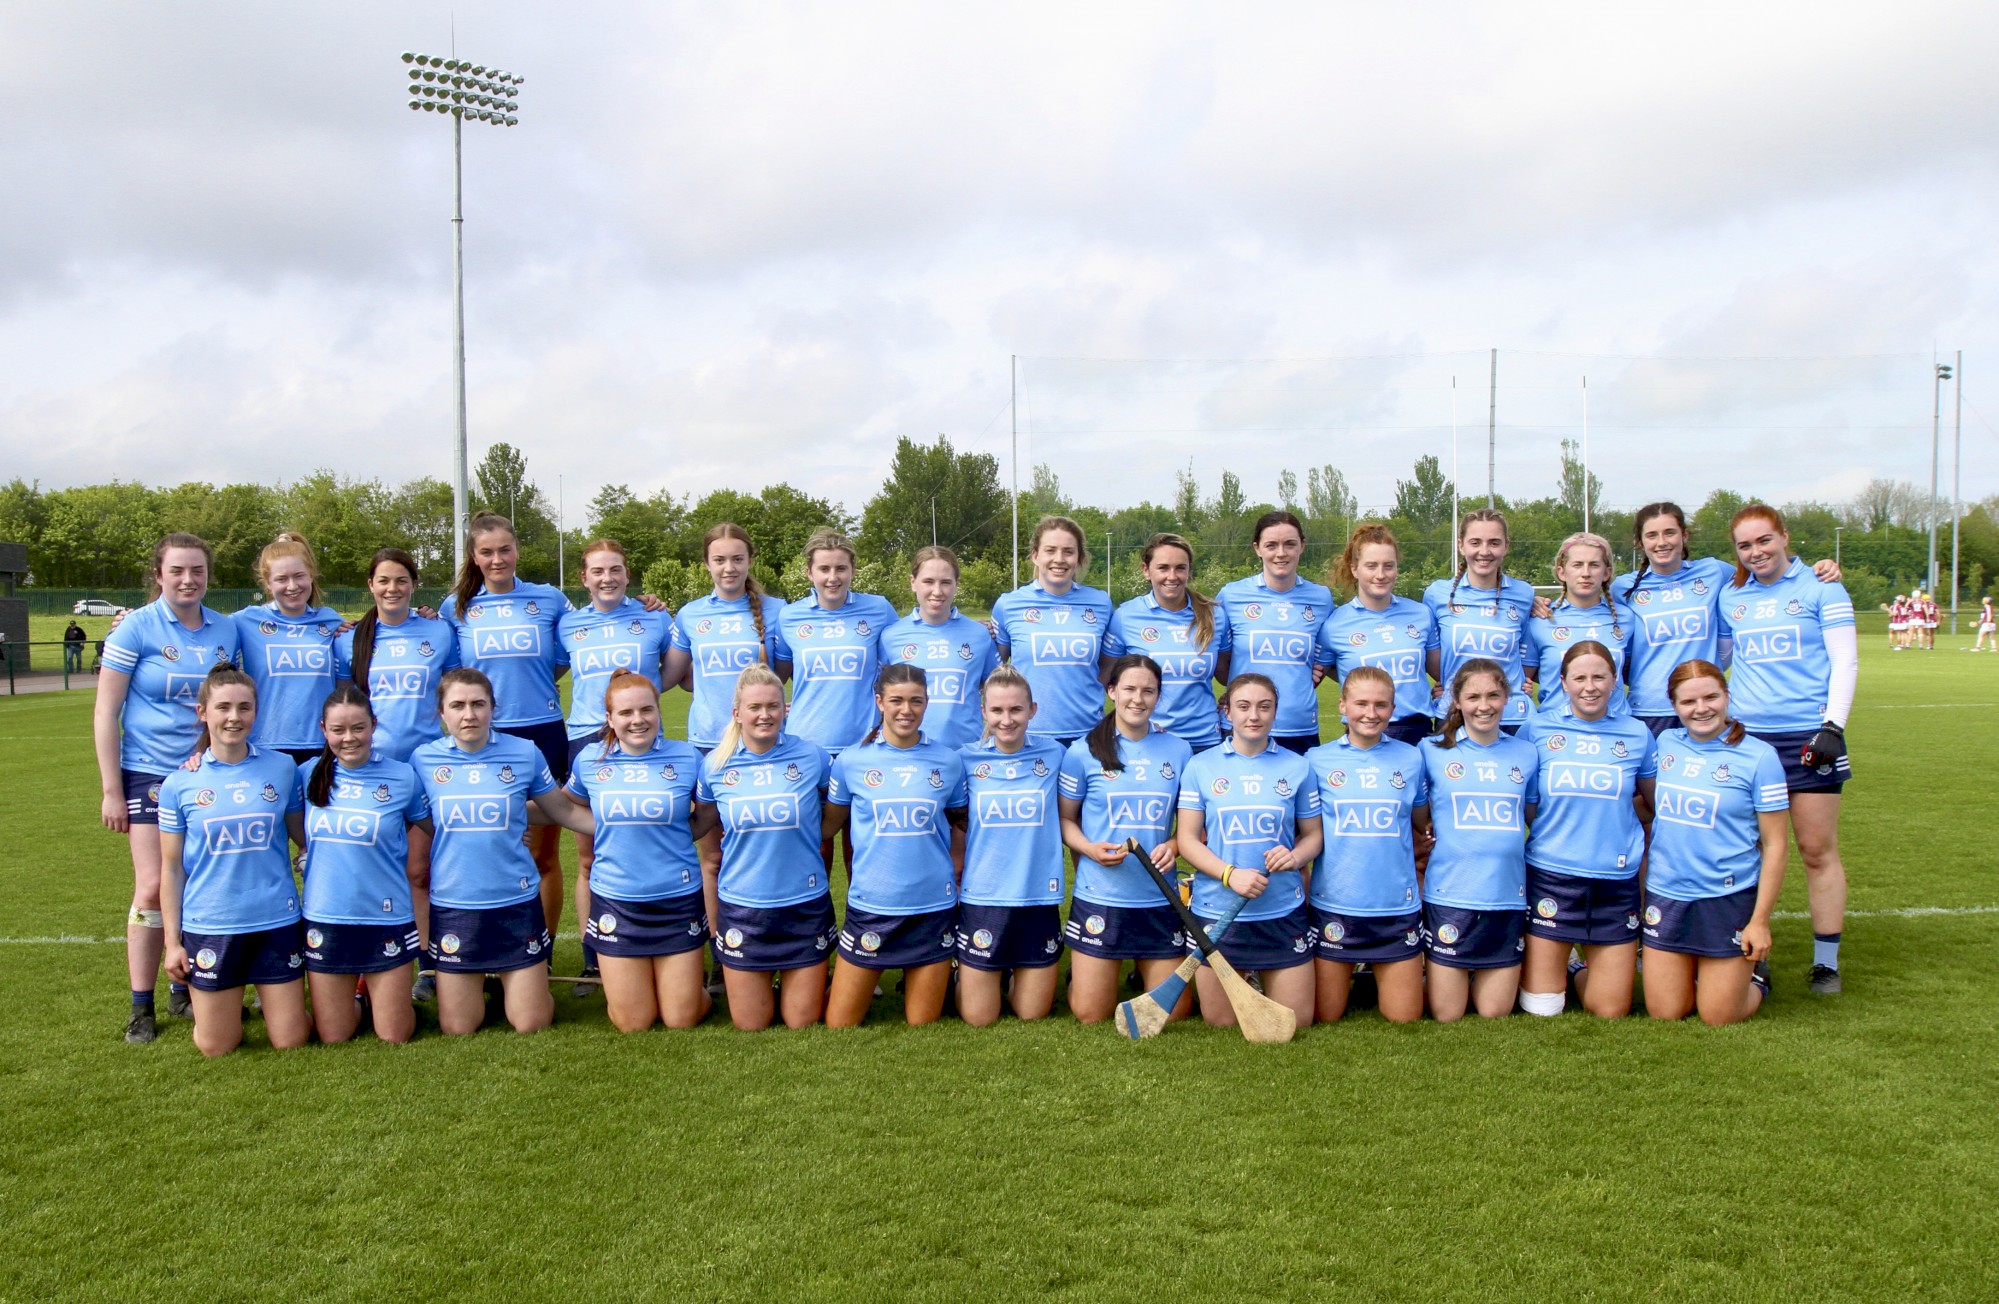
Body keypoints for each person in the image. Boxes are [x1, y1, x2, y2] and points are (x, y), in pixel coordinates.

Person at [94, 532, 243, 1044]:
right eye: (177, 570)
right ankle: (142, 1006)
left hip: (206, 773)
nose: (187, 579)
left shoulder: (227, 629)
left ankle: (186, 987)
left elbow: (229, 700)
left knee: (204, 878)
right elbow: (105, 711)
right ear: (158, 574)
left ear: (208, 575)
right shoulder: (136, 627)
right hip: (148, 773)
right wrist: (112, 789)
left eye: (197, 571)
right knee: (154, 886)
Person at [410, 668, 593, 1035]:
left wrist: (630, 826)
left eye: (479, 704)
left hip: (516, 904)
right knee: (459, 1027)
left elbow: (563, 810)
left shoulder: (524, 752)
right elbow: (421, 820)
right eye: (457, 705)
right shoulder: (423, 761)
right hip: (455, 905)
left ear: (493, 708)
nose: (469, 714)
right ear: (441, 712)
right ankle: (484, 982)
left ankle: (511, 983)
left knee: (531, 1023)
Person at [1721, 503, 1858, 995]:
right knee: (1748, 850)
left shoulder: (1823, 586)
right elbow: (1718, 661)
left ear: (1784, 536)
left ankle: (1826, 963)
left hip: (1809, 737)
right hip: (1749, 740)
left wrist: (1833, 727)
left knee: (1816, 850)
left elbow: (1845, 661)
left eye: (1764, 540)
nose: (1756, 552)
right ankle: (1750, 953)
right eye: (1745, 545)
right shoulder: (1731, 596)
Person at [436, 512, 576, 953]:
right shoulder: (454, 607)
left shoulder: (548, 599)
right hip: (480, 737)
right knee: (485, 849)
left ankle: (542, 949)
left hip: (542, 734)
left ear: (517, 550)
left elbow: (569, 652)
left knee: (541, 853)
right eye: (487, 552)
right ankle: (483, 949)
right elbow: (451, 673)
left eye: (505, 549)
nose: (497, 559)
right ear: (474, 558)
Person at [157, 664, 309, 1057]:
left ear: (256, 712)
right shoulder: (179, 784)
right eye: (223, 707)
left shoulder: (282, 768)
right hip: (212, 925)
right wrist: (172, 943)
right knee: (216, 1046)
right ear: (203, 712)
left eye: (244, 708)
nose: (234, 717)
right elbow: (172, 870)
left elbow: (303, 838)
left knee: (291, 1040)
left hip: (276, 920)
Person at [663, 522, 789, 968]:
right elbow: (671, 675)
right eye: (719, 559)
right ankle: (724, 954)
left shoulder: (778, 611)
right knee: (712, 857)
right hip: (708, 748)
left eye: (737, 558)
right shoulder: (691, 614)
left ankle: (777, 945)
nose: (729, 567)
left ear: (749, 560)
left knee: (771, 847)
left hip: (763, 747)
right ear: (707, 563)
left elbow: (786, 673)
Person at [334, 547, 459, 997]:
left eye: (401, 580)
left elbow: (453, 694)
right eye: (383, 581)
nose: (392, 589)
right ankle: (368, 968)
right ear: (371, 585)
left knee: (421, 871)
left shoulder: (438, 632)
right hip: (370, 774)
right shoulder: (347, 639)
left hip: (427, 771)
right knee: (372, 869)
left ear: (414, 584)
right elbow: (341, 709)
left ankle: (427, 964)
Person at [562, 670, 715, 1031]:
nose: (637, 720)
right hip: (617, 902)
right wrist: (512, 815)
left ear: (658, 711)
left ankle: (687, 990)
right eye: (626, 713)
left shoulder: (688, 758)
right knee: (634, 1022)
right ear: (610, 719)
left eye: (646, 710)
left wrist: (679, 833)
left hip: (676, 900)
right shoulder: (589, 761)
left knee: (680, 1019)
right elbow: (566, 807)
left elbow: (706, 815)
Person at [1642, 660, 1788, 1025]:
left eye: (1711, 697)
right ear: (1674, 706)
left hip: (1727, 897)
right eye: (1688, 702)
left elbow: (1775, 845)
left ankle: (1756, 978)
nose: (1701, 708)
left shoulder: (1760, 757)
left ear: (1727, 696)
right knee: (1666, 1012)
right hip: (1667, 894)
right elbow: (1649, 806)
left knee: (1718, 1015)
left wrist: (1760, 922)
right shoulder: (1665, 743)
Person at [822, 665, 969, 1027]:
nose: (906, 710)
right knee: (840, 1023)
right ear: (879, 702)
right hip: (872, 906)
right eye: (897, 700)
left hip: (932, 906)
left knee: (922, 1022)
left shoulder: (948, 762)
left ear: (926, 703)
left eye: (916, 701)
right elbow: (828, 825)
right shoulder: (851, 761)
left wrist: (958, 866)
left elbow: (962, 823)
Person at [1517, 642, 1657, 1019]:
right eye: (1579, 677)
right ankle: (1564, 963)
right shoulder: (1536, 729)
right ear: (1563, 682)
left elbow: (1654, 803)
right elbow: (1526, 800)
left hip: (1615, 880)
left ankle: (1577, 967)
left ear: (1615, 681)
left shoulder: (1637, 734)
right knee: (1543, 1008)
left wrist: (1612, 813)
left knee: (1609, 1009)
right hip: (1551, 876)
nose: (1589, 686)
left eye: (1600, 677)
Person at [1615, 502, 1840, 734]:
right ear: (1640, 543)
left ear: (1684, 535)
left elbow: (1766, 567)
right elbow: (1620, 651)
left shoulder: (1715, 572)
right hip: (1648, 710)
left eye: (1669, 533)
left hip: (1707, 707)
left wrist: (1819, 568)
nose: (1662, 542)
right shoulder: (1623, 588)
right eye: (1652, 535)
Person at [1177, 674, 1323, 1028]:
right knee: (1222, 1023)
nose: (1253, 716)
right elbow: (1187, 840)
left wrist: (1296, 857)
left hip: (1281, 910)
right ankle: (1249, 978)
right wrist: (1229, 875)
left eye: (1264, 707)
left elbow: (1313, 836)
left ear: (1275, 713)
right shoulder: (1201, 766)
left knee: (1297, 1021)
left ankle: (1260, 976)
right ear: (1227, 712)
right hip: (1218, 910)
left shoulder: (1298, 766)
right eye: (1243, 707)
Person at [557, 538, 673, 983]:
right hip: (587, 740)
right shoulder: (567, 625)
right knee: (589, 856)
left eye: (616, 570)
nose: (607, 578)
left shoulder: (655, 617)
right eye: (597, 572)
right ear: (584, 578)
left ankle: (661, 939)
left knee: (647, 839)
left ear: (628, 575)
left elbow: (676, 673)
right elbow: (548, 669)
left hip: (644, 735)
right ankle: (594, 955)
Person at [695, 666, 836, 1031]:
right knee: (751, 1023)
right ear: (737, 713)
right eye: (755, 707)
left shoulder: (813, 757)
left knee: (801, 1021)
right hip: (744, 909)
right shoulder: (714, 765)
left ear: (785, 709)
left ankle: (806, 983)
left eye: (773, 706)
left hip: (803, 904)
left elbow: (836, 810)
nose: (764, 715)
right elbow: (701, 823)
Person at [1058, 654, 1195, 1023]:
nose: (1138, 699)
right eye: (1130, 689)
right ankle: (1088, 970)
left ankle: (1137, 968)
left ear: (1158, 696)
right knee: (1090, 1014)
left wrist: (1176, 844)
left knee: (1175, 1013)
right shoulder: (1083, 751)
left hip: (1159, 897)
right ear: (1112, 691)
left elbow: (1195, 824)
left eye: (1148, 691)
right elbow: (1065, 820)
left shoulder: (1179, 751)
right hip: (1101, 896)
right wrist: (1088, 848)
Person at [296, 685, 431, 1044]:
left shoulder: (402, 776)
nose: (349, 738)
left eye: (358, 728)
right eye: (338, 730)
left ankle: (389, 1001)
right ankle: (359, 995)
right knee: (334, 1035)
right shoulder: (306, 774)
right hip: (326, 918)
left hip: (386, 918)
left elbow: (439, 828)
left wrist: (511, 831)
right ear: (323, 729)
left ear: (374, 725)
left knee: (394, 1035)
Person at [1414, 658, 1540, 1021]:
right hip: (1450, 894)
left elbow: (1530, 815)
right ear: (1456, 701)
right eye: (1473, 697)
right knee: (1447, 1013)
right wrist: (1427, 833)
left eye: (1493, 696)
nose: (1483, 706)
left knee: (1494, 1011)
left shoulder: (1525, 752)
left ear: (1507, 698)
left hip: (1506, 896)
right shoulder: (1431, 750)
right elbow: (1419, 813)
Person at [1304, 666, 1428, 1024]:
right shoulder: (1316, 760)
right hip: (1336, 905)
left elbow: (1421, 823)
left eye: (1381, 705)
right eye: (1361, 703)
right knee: (1326, 1015)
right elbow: (1305, 832)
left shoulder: (1410, 757)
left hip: (1395, 906)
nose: (1370, 714)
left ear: (1393, 708)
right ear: (1342, 706)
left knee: (1404, 1017)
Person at [775, 528, 899, 881]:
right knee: (815, 852)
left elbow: (898, 662)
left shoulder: (878, 610)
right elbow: (782, 673)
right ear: (809, 572)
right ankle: (817, 934)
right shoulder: (790, 617)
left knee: (862, 851)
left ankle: (865, 932)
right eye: (824, 569)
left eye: (841, 568)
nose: (833, 577)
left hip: (864, 748)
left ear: (853, 570)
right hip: (807, 750)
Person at [954, 666, 1067, 1026]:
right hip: (984, 897)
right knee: (979, 1018)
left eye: (1016, 710)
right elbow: (956, 822)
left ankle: (1012, 970)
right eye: (997, 711)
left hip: (1037, 896)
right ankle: (964, 972)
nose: (1007, 720)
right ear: (983, 711)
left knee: (1031, 1013)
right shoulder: (964, 759)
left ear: (1032, 710)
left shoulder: (1056, 755)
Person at [1217, 510, 1335, 753]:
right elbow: (1219, 655)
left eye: (1289, 544)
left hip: (1299, 728)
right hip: (1242, 727)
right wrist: (1234, 688)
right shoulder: (1231, 596)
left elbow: (1323, 656)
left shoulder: (1321, 598)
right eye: (1271, 545)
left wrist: (1309, 675)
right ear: (1257, 548)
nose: (1281, 553)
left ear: (1302, 546)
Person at [991, 515, 1114, 745]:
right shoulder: (1008, 605)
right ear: (1036, 556)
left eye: (1068, 551)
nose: (1059, 559)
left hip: (1088, 735)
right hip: (1028, 735)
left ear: (1079, 558)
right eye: (1050, 550)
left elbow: (1110, 664)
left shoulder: (1101, 603)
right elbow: (993, 667)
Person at [1103, 533, 1231, 750]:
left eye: (1180, 568)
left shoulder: (1214, 615)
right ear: (1146, 570)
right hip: (1149, 740)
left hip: (1205, 741)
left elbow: (1228, 674)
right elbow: (1106, 676)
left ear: (1189, 571)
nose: (1172, 576)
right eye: (1163, 568)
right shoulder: (1126, 616)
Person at [230, 533, 345, 766]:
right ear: (268, 583)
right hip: (264, 744)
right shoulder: (246, 620)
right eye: (282, 579)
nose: (292, 586)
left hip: (322, 744)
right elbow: (202, 626)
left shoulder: (332, 621)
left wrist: (424, 615)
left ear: (311, 575)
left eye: (299, 576)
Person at [1318, 523, 1436, 746]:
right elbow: (1321, 670)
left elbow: (1439, 669)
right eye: (1371, 566)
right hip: (1363, 731)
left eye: (1388, 566)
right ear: (1354, 568)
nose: (1380, 575)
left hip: (1417, 732)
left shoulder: (1421, 614)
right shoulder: (1334, 624)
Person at [1424, 509, 1537, 735]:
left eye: (1494, 543)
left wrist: (1519, 682)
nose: (1484, 551)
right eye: (1475, 542)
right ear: (1461, 545)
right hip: (1454, 712)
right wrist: (1448, 681)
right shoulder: (1437, 593)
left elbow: (1526, 653)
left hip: (1511, 715)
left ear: (1506, 546)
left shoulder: (1524, 594)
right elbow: (1431, 651)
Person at [878, 545, 999, 749]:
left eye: (945, 582)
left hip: (966, 752)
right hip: (910, 754)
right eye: (928, 581)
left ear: (956, 585)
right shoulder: (891, 636)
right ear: (913, 582)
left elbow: (996, 691)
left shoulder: (979, 635)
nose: (937, 591)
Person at [1525, 532, 1631, 718]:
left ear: (1606, 573)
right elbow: (1525, 680)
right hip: (1557, 731)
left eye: (1594, 565)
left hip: (1615, 730)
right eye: (1577, 565)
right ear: (1562, 572)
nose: (1586, 573)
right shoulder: (1540, 619)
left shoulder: (1626, 618)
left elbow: (1633, 671)